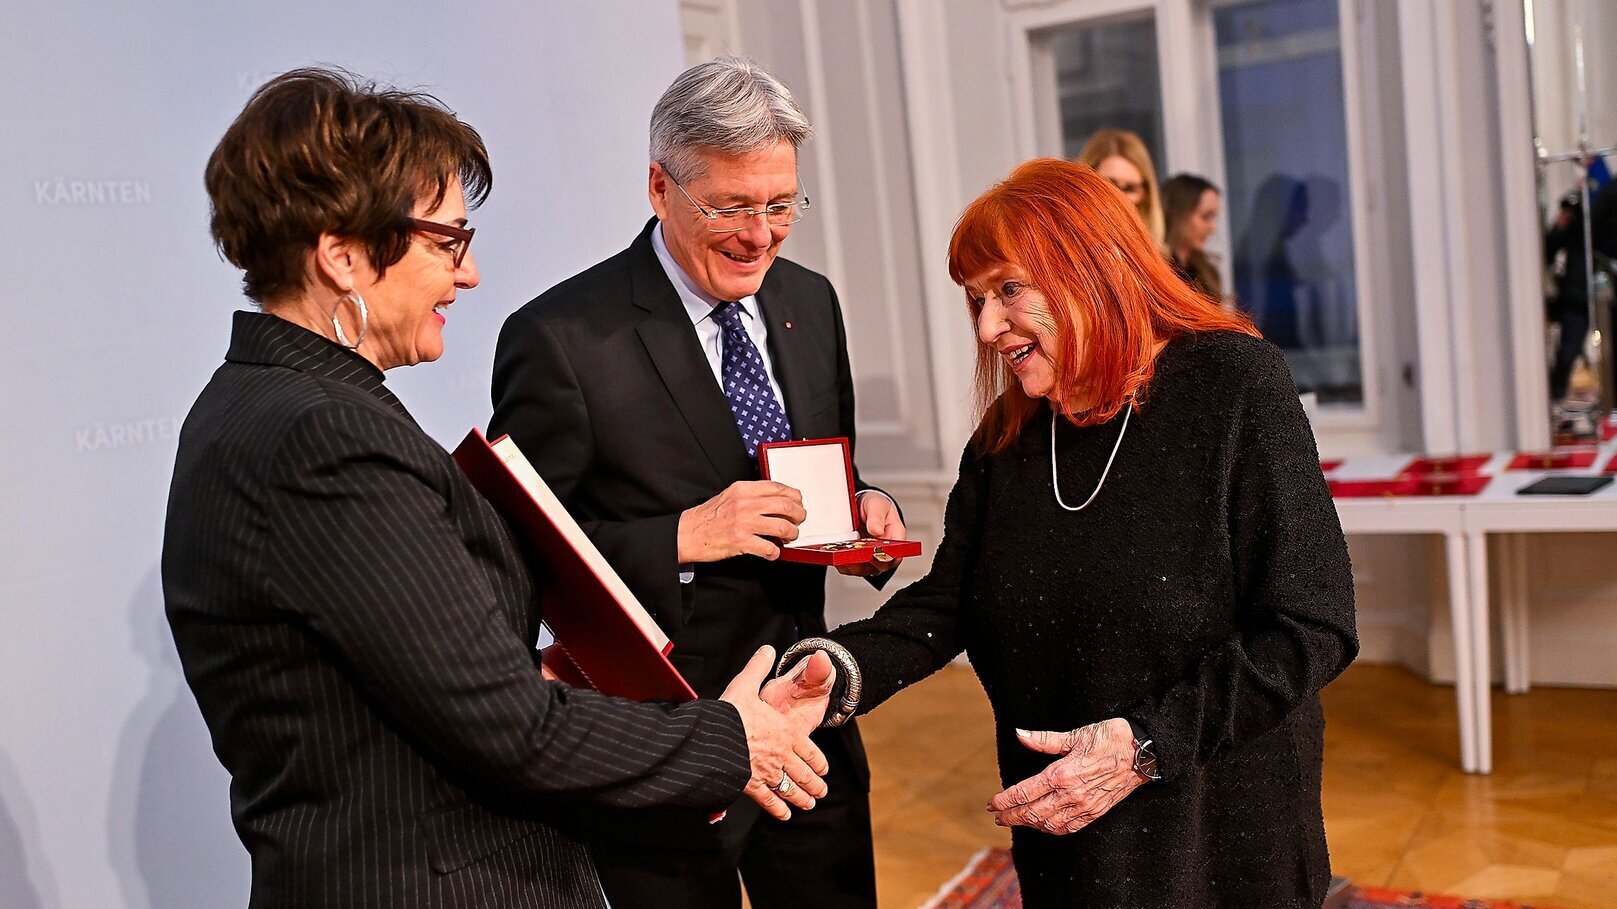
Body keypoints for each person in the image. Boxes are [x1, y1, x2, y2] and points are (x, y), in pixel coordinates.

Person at [163, 68, 835, 909]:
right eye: (447, 242)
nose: (469, 273)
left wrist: (541, 672)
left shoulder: (267, 401)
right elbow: (509, 727)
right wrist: (732, 740)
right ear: (341, 254)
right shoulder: (324, 437)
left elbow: (421, 674)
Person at [778, 158, 1359, 908]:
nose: (988, 328)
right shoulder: (1006, 439)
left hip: (1219, 833)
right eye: (976, 301)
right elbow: (948, 605)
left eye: (1008, 290)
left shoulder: (1235, 386)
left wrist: (1143, 746)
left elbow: (1312, 623)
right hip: (1069, 832)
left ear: (1090, 268)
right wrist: (836, 668)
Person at [488, 56, 903, 909]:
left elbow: (833, 468)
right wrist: (678, 536)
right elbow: (508, 556)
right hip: (661, 759)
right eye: (731, 207)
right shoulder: (560, 337)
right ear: (658, 187)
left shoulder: (809, 302)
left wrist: (866, 513)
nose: (761, 235)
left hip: (807, 729)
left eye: (781, 205)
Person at [1077, 127, 1164, 245]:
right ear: (1086, 183)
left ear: (1146, 195)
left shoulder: (1157, 258)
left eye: (1130, 188)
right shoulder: (1067, 251)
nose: (1120, 197)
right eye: (1110, 185)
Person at [1162, 173, 1224, 300]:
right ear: (1179, 214)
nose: (1213, 227)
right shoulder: (1159, 267)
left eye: (1214, 217)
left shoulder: (1207, 272)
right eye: (1206, 216)